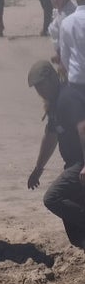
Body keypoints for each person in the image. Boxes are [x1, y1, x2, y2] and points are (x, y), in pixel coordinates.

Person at [26, 60, 85, 248]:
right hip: (73, 165)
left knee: (52, 198)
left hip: (80, 163)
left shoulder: (68, 97)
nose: (40, 91)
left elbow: (83, 128)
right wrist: (38, 169)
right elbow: (50, 137)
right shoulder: (54, 105)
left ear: (52, 78)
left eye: (41, 85)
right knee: (76, 237)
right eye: (36, 88)